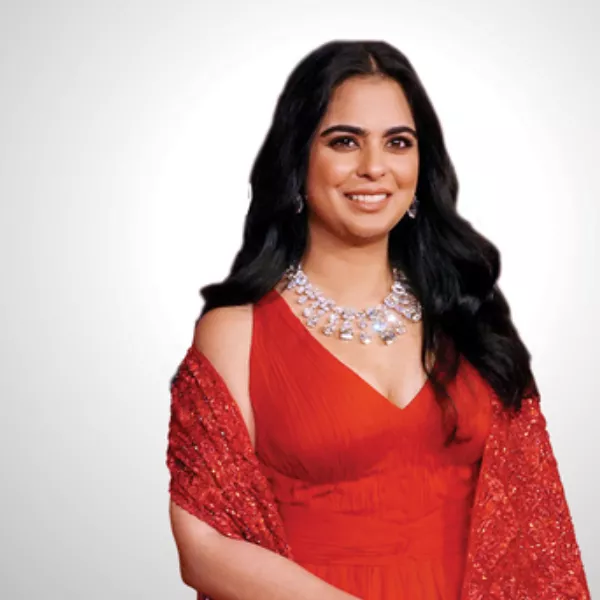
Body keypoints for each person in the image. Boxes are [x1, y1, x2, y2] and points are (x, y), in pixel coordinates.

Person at [166, 40, 589, 600]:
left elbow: (533, 535)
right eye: (345, 141)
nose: (373, 167)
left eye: (398, 142)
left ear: (419, 165)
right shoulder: (238, 333)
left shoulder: (468, 317)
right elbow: (204, 547)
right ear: (297, 162)